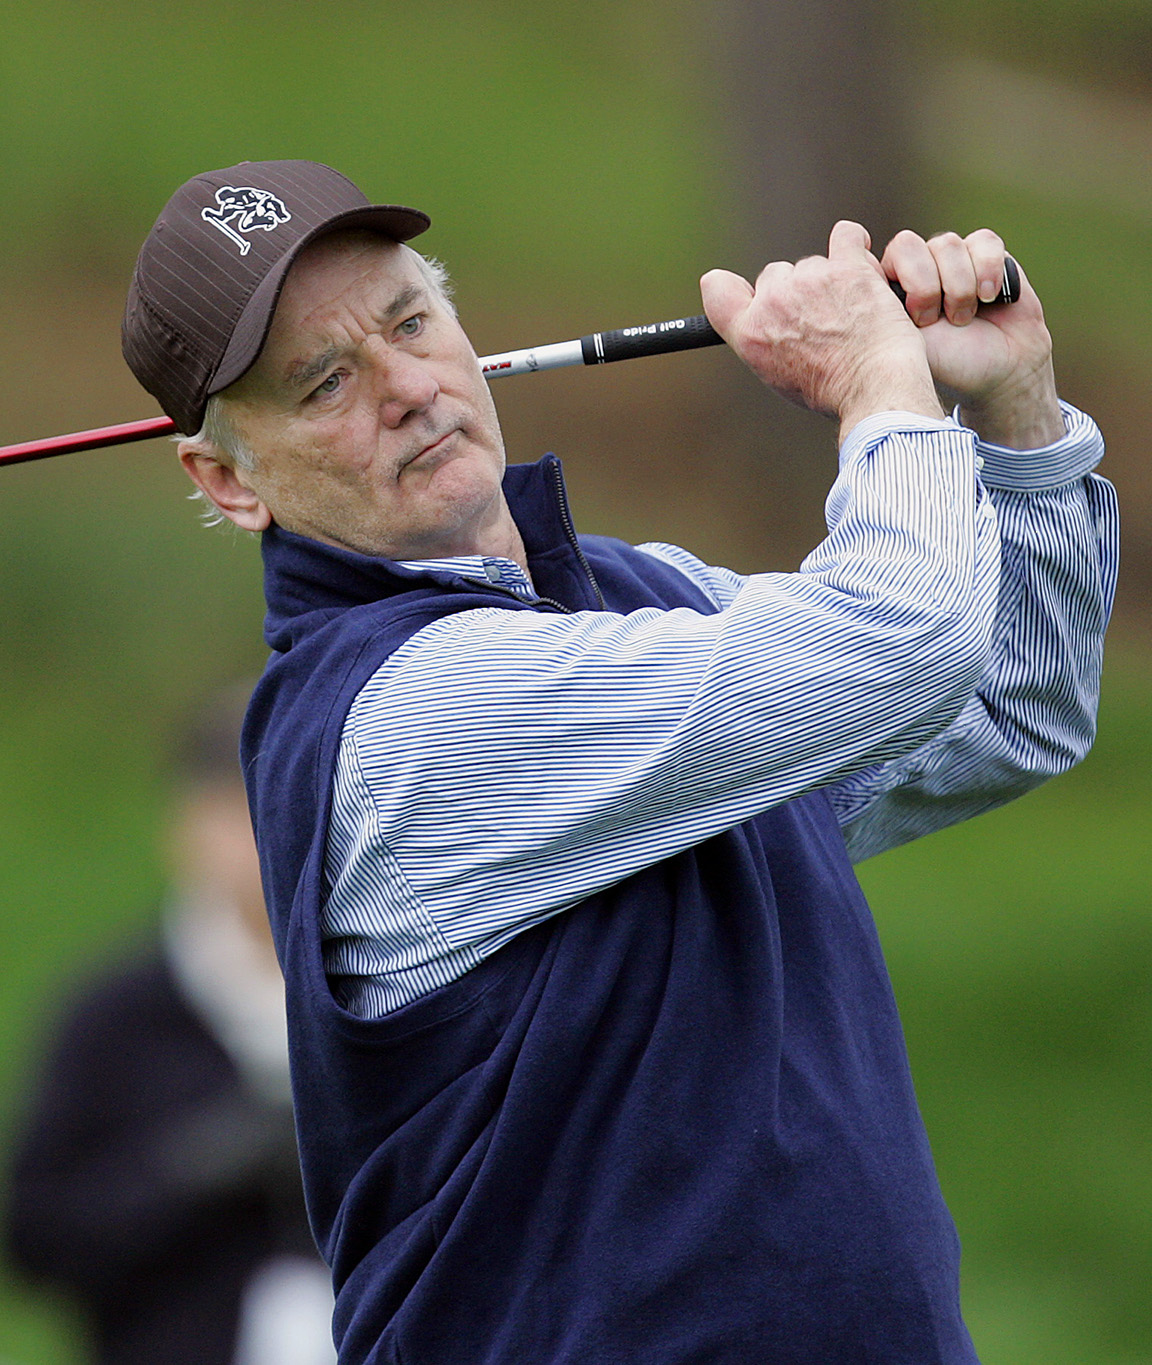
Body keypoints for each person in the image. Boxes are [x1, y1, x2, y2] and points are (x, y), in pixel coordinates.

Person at [118, 161, 1117, 1363]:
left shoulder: (638, 596)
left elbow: (1007, 709)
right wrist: (877, 386)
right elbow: (903, 641)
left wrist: (1014, 417)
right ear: (228, 480)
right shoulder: (407, 714)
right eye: (324, 381)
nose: (406, 389)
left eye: (409, 323)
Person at [0, 688, 335, 1365]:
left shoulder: (407, 998)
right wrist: (188, 1171)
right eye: (241, 811)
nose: (273, 834)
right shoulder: (120, 1014)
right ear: (188, 827)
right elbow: (31, 1237)